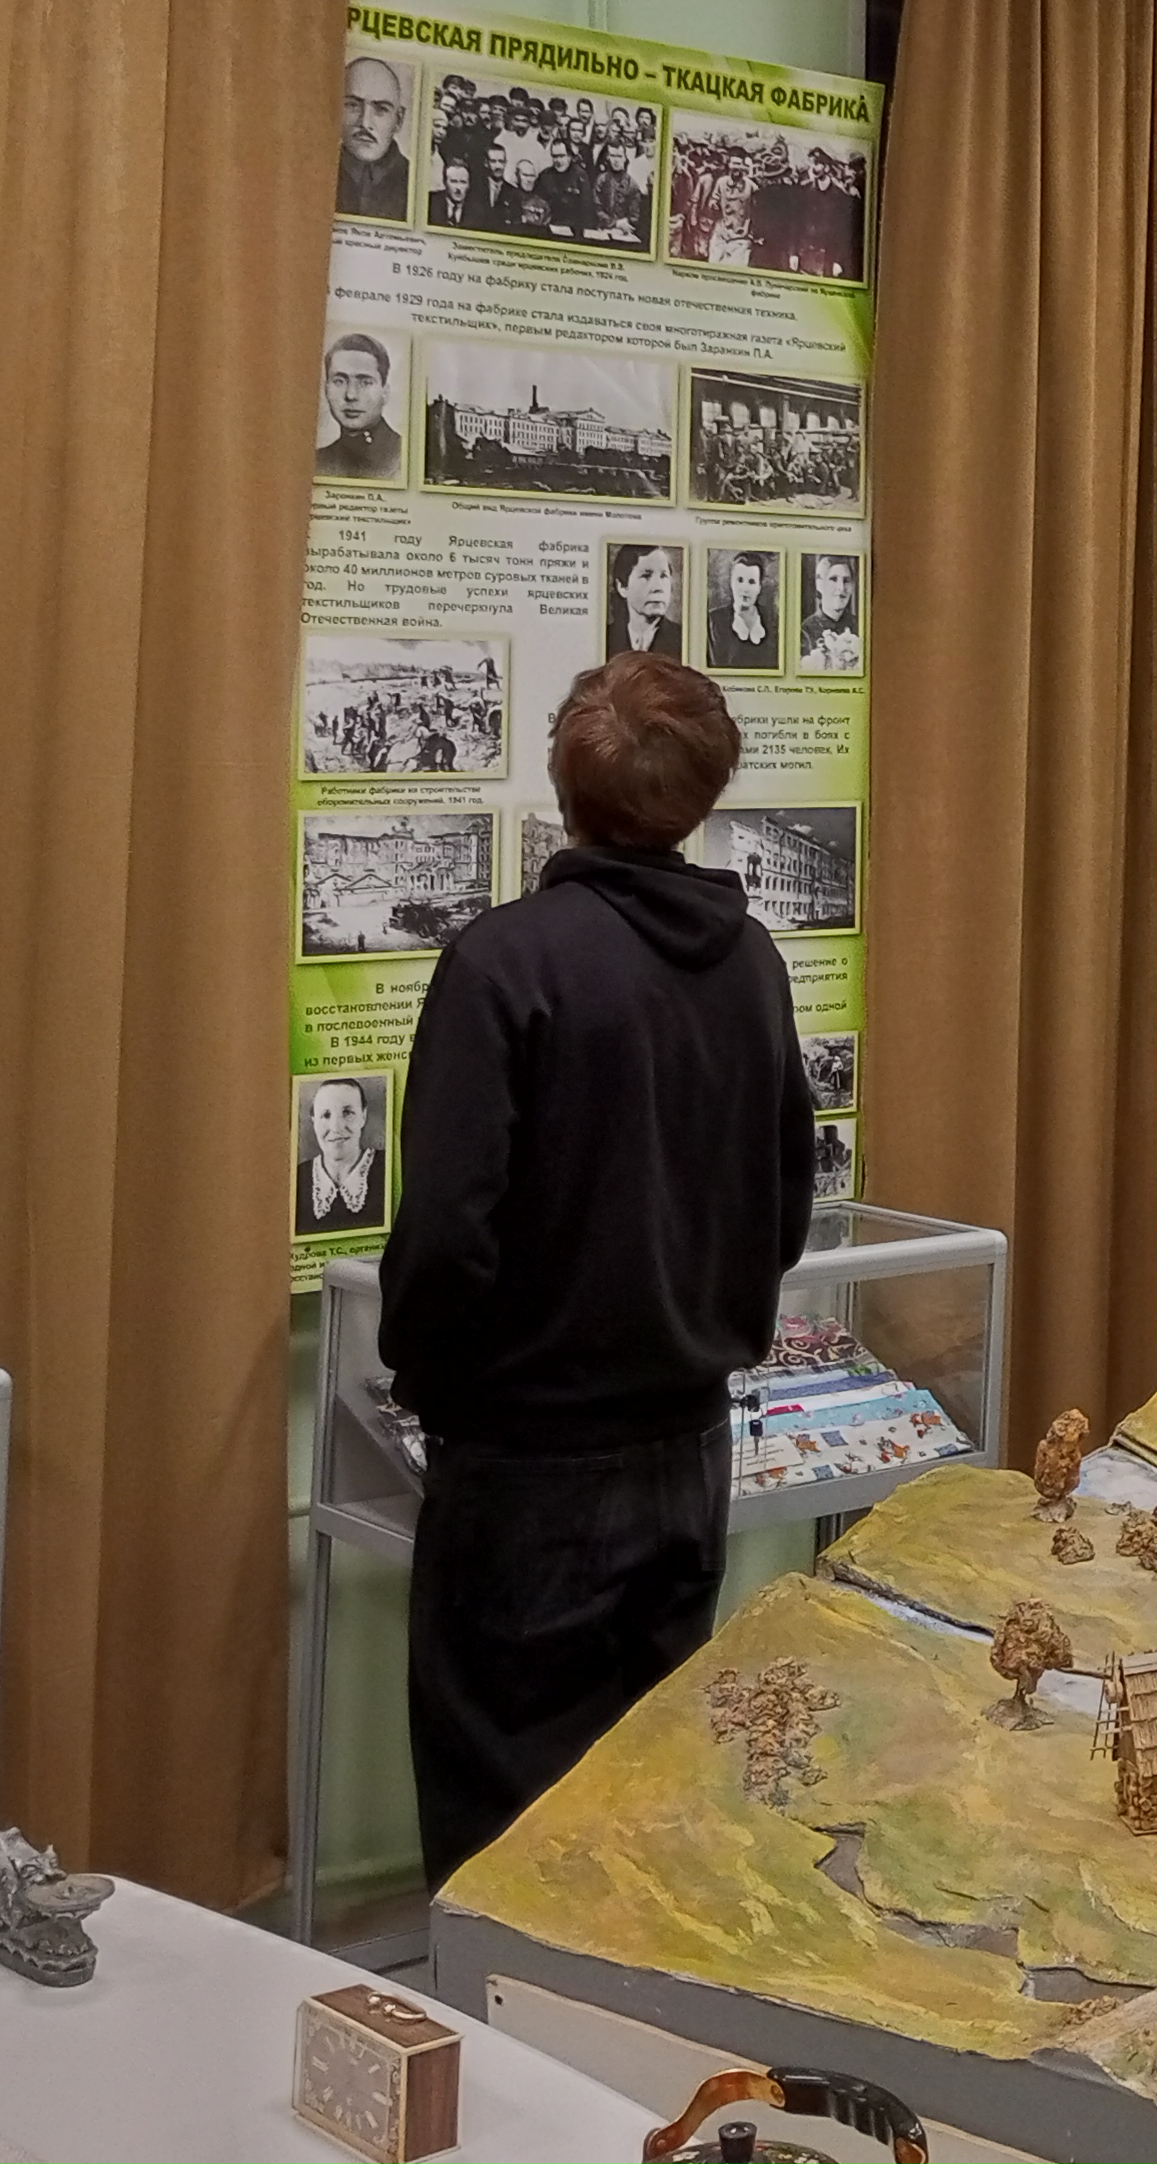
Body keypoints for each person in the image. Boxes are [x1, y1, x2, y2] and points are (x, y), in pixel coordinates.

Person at [380, 653, 819, 1887]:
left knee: (502, 1827)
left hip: (526, 1464)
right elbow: (784, 1204)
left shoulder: (505, 964)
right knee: (645, 1808)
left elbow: (448, 1231)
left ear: (564, 784)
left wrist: (432, 1379)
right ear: (706, 791)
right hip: (687, 1450)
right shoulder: (752, 962)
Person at [298, 1076, 384, 1230]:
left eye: (347, 1112)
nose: (336, 1127)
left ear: (363, 1116)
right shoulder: (297, 1178)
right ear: (314, 1121)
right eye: (326, 1115)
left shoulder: (389, 1166)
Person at [317, 332, 403, 481]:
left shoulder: (403, 456)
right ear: (326, 389)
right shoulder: (318, 462)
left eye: (365, 382)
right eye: (339, 381)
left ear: (385, 392)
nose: (351, 395)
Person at [339, 57, 411, 221]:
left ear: (399, 120)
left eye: (381, 109)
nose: (365, 123)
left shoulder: (414, 181)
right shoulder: (314, 172)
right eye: (352, 105)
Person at [606, 543, 683, 660]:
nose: (658, 587)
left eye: (663, 576)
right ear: (622, 587)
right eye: (646, 576)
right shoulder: (606, 638)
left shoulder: (682, 639)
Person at [706, 548, 778, 671]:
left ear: (759, 587)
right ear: (731, 583)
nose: (745, 588)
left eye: (751, 582)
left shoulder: (773, 621)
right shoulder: (714, 621)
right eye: (740, 580)